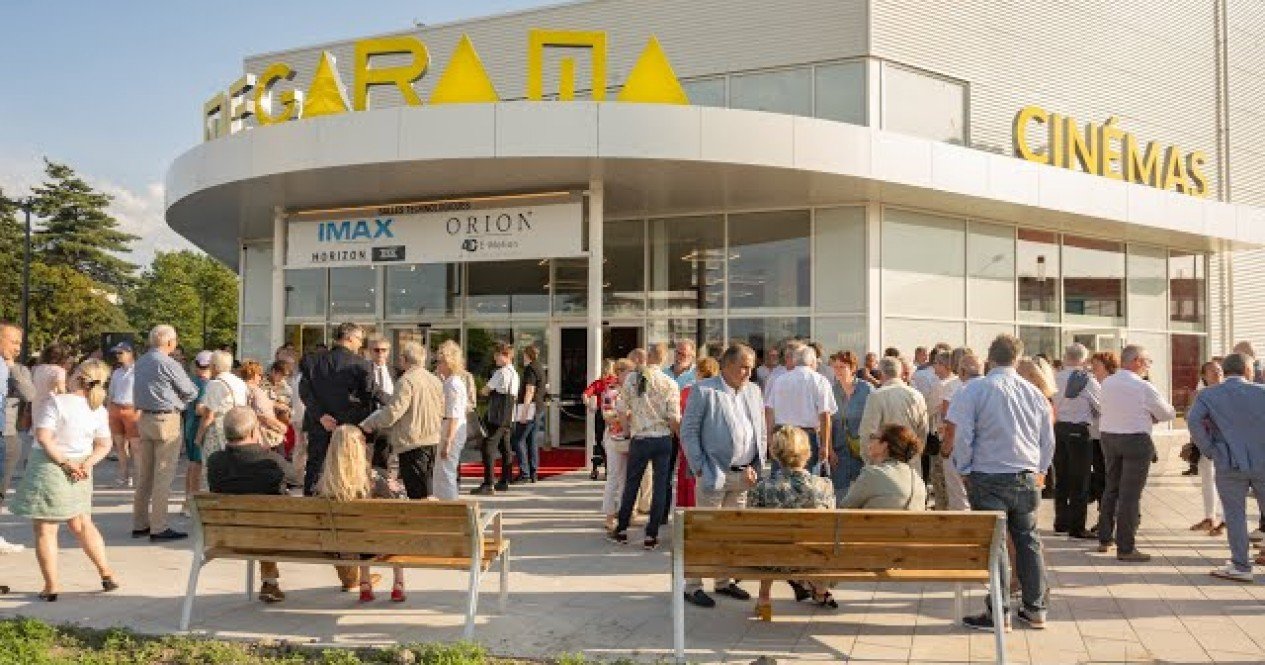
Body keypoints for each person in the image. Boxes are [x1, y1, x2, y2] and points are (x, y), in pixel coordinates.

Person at [947, 334, 1055, 631]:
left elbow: (963, 435)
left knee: (996, 544)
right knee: (1028, 540)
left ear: (990, 358)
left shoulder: (974, 389)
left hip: (987, 474)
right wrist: (1041, 470)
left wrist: (964, 468)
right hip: (1025, 474)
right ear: (1017, 359)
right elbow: (1047, 440)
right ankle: (1036, 608)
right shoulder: (1034, 393)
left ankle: (999, 610)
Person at [9, 359, 119, 601]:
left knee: (46, 529)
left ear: (78, 377)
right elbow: (104, 444)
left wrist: (65, 463)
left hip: (50, 466)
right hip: (82, 467)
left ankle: (51, 586)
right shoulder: (98, 409)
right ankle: (106, 573)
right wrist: (86, 464)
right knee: (82, 523)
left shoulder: (57, 402)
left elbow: (44, 437)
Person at [679, 344, 766, 609]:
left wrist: (757, 464)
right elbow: (688, 431)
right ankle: (692, 586)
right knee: (704, 532)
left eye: (751, 367)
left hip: (744, 475)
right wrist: (700, 467)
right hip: (713, 473)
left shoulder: (753, 390)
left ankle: (723, 581)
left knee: (730, 533)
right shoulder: (704, 390)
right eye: (743, 367)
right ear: (726, 365)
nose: (748, 372)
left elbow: (760, 430)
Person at [206, 406, 301, 603]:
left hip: (229, 537)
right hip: (273, 537)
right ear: (252, 431)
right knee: (267, 521)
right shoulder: (271, 460)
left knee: (260, 520)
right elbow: (297, 479)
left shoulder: (215, 462)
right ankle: (351, 580)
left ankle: (270, 582)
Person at [1186, 353, 1265, 582]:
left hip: (1228, 460)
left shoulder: (1208, 394)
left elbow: (1193, 421)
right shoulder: (1261, 391)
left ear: (1226, 370)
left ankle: (1241, 566)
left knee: (1235, 514)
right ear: (1247, 370)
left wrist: (1210, 449)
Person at [1096, 344, 1175, 562]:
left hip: (1109, 437)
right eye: (1147, 362)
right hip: (1135, 440)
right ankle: (1126, 547)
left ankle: (1105, 538)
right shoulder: (1143, 386)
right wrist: (1150, 416)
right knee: (1130, 495)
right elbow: (1168, 413)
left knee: (1111, 488)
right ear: (1137, 361)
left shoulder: (1107, 382)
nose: (1149, 366)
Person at [748, 426, 836, 620]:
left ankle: (764, 597)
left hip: (773, 561)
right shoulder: (824, 486)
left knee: (767, 541)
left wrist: (751, 487)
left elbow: (751, 528)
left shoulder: (763, 488)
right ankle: (820, 589)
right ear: (807, 453)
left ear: (775, 454)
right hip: (811, 558)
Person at [316, 425, 405, 602]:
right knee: (393, 526)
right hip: (377, 542)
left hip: (340, 544)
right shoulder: (376, 477)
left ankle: (365, 582)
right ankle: (398, 583)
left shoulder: (323, 483)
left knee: (361, 530)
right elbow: (400, 503)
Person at [609, 346, 680, 550]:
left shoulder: (633, 379)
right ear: (664, 359)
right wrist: (676, 435)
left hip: (640, 438)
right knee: (660, 486)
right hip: (662, 438)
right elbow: (674, 418)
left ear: (648, 357)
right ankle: (651, 534)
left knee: (632, 484)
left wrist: (627, 430)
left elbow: (621, 408)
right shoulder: (669, 383)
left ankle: (622, 529)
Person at [132, 325, 199, 542]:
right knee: (163, 475)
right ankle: (159, 527)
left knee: (145, 475)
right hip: (166, 419)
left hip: (145, 418)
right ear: (170, 342)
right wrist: (180, 401)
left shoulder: (141, 362)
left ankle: (140, 523)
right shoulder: (169, 363)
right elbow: (190, 391)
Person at [361, 341, 444, 500]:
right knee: (427, 487)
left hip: (412, 441)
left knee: (416, 492)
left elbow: (393, 412)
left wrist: (370, 424)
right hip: (432, 439)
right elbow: (442, 409)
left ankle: (420, 516)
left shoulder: (406, 381)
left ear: (404, 359)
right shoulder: (434, 380)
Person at [299, 322, 374, 496]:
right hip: (348, 426)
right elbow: (368, 396)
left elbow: (305, 392)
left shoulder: (313, 361)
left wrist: (320, 416)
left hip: (319, 424)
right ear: (349, 338)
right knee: (348, 465)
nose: (360, 344)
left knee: (315, 466)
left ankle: (310, 502)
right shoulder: (360, 364)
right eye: (359, 339)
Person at [1052, 344, 1102, 540]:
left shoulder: (1055, 377)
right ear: (1084, 359)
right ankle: (1077, 527)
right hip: (1079, 431)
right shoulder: (1087, 380)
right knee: (1080, 480)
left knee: (1061, 478)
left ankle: (1061, 522)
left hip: (1059, 429)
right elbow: (1101, 405)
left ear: (1065, 356)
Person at [765, 345, 836, 476]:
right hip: (806, 437)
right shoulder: (819, 380)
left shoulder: (780, 379)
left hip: (782, 435)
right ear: (812, 361)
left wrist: (769, 438)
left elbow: (769, 410)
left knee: (779, 480)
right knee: (804, 481)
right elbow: (825, 415)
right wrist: (825, 446)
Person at [858, 356, 928, 474]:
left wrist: (868, 460)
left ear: (880, 374)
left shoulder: (876, 396)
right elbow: (923, 431)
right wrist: (916, 454)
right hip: (911, 463)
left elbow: (867, 432)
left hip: (884, 465)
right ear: (900, 373)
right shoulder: (917, 395)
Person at [194, 351, 249, 489]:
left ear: (214, 366)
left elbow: (209, 415)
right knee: (234, 470)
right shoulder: (239, 382)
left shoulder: (215, 384)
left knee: (213, 470)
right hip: (238, 427)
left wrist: (199, 437)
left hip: (218, 430)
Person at [840, 424, 927, 510]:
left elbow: (844, 508)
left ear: (884, 445)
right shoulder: (918, 480)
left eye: (873, 437)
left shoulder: (872, 474)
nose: (869, 440)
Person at [828, 351, 872, 506]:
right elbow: (827, 423)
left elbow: (875, 421)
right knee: (840, 497)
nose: (838, 371)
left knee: (863, 497)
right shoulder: (831, 390)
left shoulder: (866, 389)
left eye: (842, 367)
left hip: (863, 452)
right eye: (835, 367)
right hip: (839, 453)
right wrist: (830, 450)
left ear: (853, 368)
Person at [474, 342, 518, 495]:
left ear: (506, 356)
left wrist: (480, 392)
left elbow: (486, 390)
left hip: (497, 416)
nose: (495, 358)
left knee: (488, 446)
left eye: (497, 355)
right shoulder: (515, 374)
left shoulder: (501, 373)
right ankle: (505, 480)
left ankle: (489, 483)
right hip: (508, 416)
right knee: (505, 448)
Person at [938, 348, 980, 510]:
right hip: (985, 451)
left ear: (961, 370)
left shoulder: (957, 388)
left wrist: (945, 450)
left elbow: (950, 422)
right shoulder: (993, 388)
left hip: (959, 446)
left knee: (958, 497)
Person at [677, 357, 720, 509]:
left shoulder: (688, 391)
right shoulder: (720, 392)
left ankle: (685, 509)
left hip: (690, 439)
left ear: (698, 372)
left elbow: (680, 416)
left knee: (687, 476)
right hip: (712, 441)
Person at [1189, 360, 1226, 535]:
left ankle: (1225, 520)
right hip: (1207, 444)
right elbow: (1192, 419)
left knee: (1226, 482)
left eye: (1219, 370)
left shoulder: (1229, 392)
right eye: (1212, 370)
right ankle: (1210, 517)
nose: (1217, 373)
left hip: (1226, 444)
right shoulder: (1200, 394)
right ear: (1204, 376)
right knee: (1207, 481)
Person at [0, 323, 25, 570]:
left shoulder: (13, 368)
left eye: (19, 343)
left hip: (6, 434)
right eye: (13, 342)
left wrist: (12, 369)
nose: (17, 348)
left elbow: (30, 394)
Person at [599, 359, 635, 531]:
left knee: (625, 478)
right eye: (630, 371)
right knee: (614, 477)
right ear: (620, 372)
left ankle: (624, 514)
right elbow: (607, 416)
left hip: (630, 438)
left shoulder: (632, 391)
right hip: (615, 438)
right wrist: (625, 416)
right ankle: (609, 515)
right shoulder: (611, 391)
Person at [432, 340, 468, 500]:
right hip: (449, 427)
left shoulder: (453, 384)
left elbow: (454, 414)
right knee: (443, 471)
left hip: (451, 429)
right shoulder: (450, 381)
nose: (438, 365)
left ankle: (450, 504)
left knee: (446, 471)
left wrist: (448, 441)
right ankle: (445, 502)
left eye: (440, 362)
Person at [180, 351, 212, 515]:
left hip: (190, 424)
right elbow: (200, 409)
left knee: (192, 464)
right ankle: (191, 503)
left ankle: (187, 501)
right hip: (198, 426)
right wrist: (215, 410)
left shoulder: (191, 381)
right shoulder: (205, 384)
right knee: (196, 466)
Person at [1088, 351, 1119, 509]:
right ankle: (1104, 511)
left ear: (1107, 366)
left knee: (1110, 476)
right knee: (1100, 475)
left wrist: (1092, 400)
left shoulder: (1113, 385)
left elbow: (1106, 409)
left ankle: (1113, 511)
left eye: (1096, 365)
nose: (1093, 368)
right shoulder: (1094, 383)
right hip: (1095, 436)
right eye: (1092, 365)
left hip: (1110, 437)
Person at [106, 342, 139, 489]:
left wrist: (140, 410)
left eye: (121, 353)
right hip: (116, 408)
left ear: (130, 353)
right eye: (117, 353)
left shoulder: (138, 371)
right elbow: (111, 392)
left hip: (132, 408)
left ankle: (139, 476)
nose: (118, 356)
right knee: (120, 445)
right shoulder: (117, 372)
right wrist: (108, 410)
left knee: (136, 446)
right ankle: (124, 475)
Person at [511, 345, 545, 483]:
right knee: (531, 441)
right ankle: (533, 472)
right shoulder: (540, 368)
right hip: (538, 408)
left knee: (518, 440)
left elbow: (530, 390)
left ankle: (524, 473)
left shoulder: (530, 369)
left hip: (530, 408)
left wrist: (524, 412)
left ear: (527, 355)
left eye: (524, 354)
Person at [241, 360, 288, 454]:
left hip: (249, 431)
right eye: (259, 375)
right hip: (263, 433)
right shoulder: (256, 390)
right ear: (254, 375)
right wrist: (281, 427)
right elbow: (263, 415)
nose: (260, 377)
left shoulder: (241, 388)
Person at [583, 360, 619, 480]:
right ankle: (610, 468)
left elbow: (585, 395)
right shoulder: (617, 382)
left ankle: (598, 467)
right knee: (613, 439)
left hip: (601, 413)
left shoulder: (599, 383)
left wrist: (590, 406)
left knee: (599, 440)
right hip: (614, 414)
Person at [364, 336, 396, 474]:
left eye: (384, 350)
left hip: (388, 423)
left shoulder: (395, 371)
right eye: (376, 350)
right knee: (365, 461)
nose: (380, 353)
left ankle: (381, 483)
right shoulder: (363, 370)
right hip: (367, 421)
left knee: (383, 461)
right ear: (370, 351)